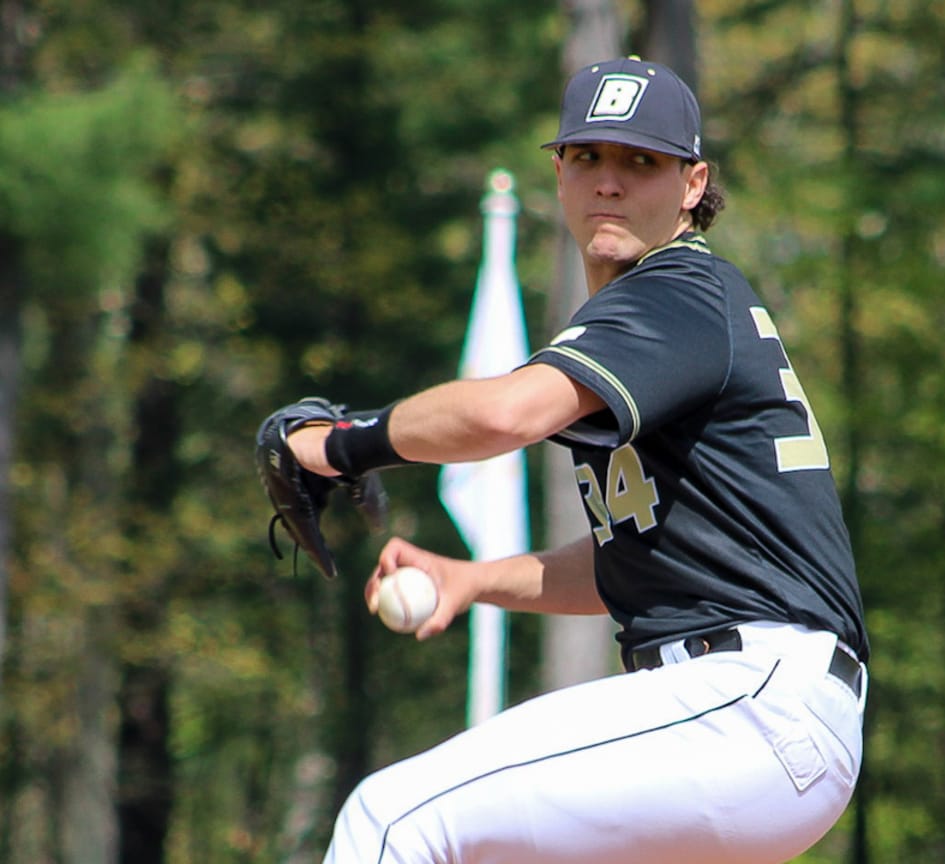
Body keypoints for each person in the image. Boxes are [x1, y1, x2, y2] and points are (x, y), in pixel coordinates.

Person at [279, 56, 868, 863]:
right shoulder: (658, 321)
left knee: (392, 821)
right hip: (754, 720)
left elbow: (507, 412)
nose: (610, 183)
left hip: (747, 705)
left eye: (641, 161)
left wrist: (338, 445)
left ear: (693, 183)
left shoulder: (675, 291)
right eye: (588, 156)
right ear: (558, 173)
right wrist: (473, 580)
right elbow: (632, 565)